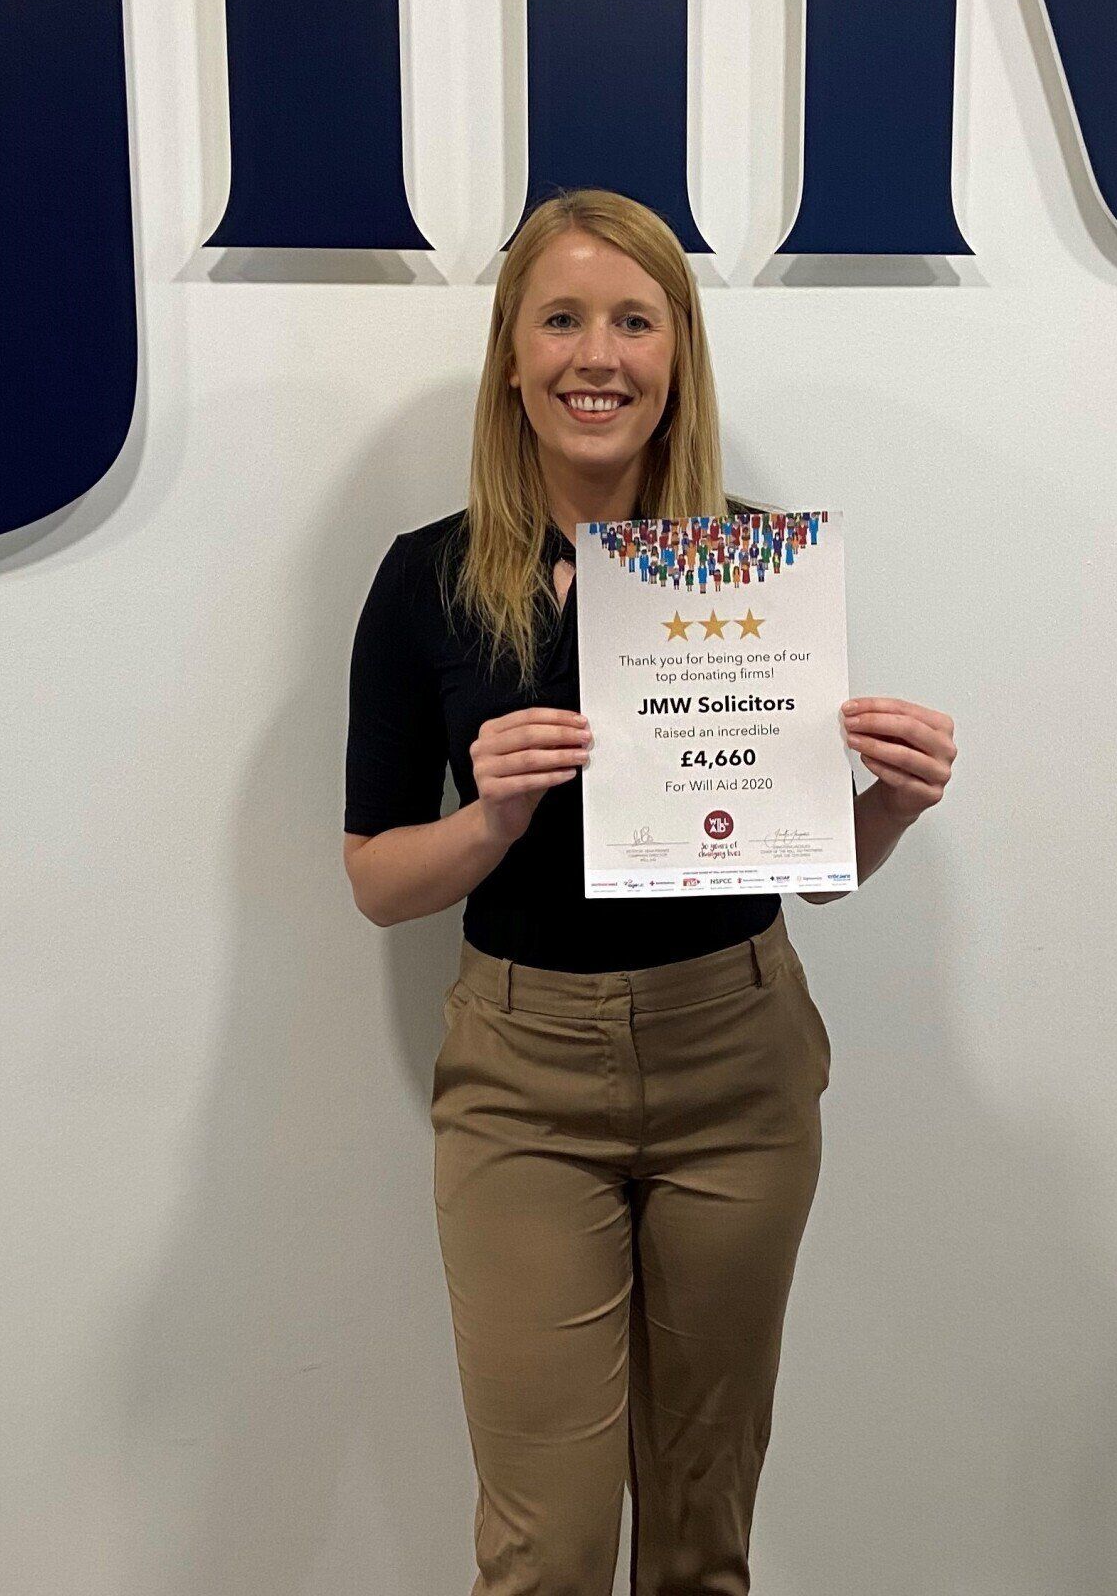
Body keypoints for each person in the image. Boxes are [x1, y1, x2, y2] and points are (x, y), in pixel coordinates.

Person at [342, 187, 957, 1594]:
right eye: (560, 320)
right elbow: (377, 877)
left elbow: (803, 865)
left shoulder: (754, 570)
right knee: (545, 1555)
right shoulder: (427, 581)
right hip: (519, 1078)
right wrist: (491, 821)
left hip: (734, 1058)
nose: (596, 355)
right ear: (512, 357)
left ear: (678, 353)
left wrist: (891, 811)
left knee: (699, 1540)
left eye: (634, 319)